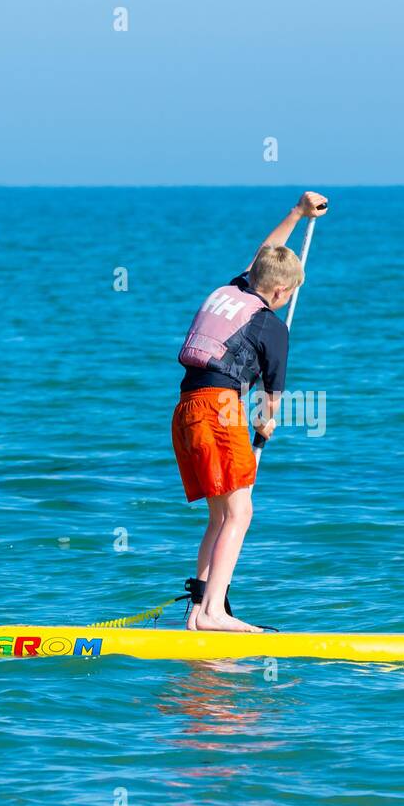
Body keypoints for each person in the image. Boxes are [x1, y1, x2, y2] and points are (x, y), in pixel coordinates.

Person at [171, 191, 328, 631]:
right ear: (282, 291)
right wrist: (266, 421)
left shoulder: (231, 289)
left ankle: (199, 608)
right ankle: (214, 614)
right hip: (219, 412)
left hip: (186, 410)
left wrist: (297, 213)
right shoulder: (270, 327)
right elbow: (271, 400)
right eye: (290, 291)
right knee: (241, 514)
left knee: (220, 515)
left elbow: (264, 255)